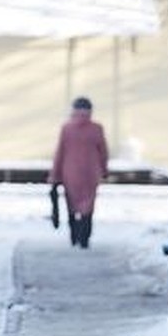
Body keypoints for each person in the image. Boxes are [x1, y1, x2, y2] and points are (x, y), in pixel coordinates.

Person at [48, 96, 109, 249]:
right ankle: (85, 238)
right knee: (88, 206)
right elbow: (103, 152)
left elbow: (60, 152)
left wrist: (55, 174)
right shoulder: (97, 128)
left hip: (70, 173)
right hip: (91, 173)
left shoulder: (67, 128)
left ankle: (74, 235)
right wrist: (104, 170)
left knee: (72, 205)